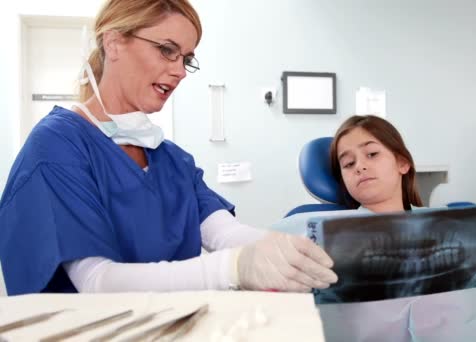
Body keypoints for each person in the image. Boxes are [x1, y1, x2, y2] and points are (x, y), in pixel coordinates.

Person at [0, 0, 337, 296]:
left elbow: (225, 234)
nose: (179, 71)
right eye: (166, 50)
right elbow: (96, 280)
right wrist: (230, 269)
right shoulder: (57, 146)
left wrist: (297, 249)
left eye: (186, 58)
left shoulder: (171, 159)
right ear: (114, 42)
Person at [274, 115, 476, 340]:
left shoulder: (454, 230)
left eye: (372, 153)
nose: (360, 165)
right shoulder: (318, 233)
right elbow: (262, 294)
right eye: (348, 164)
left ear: (403, 163)